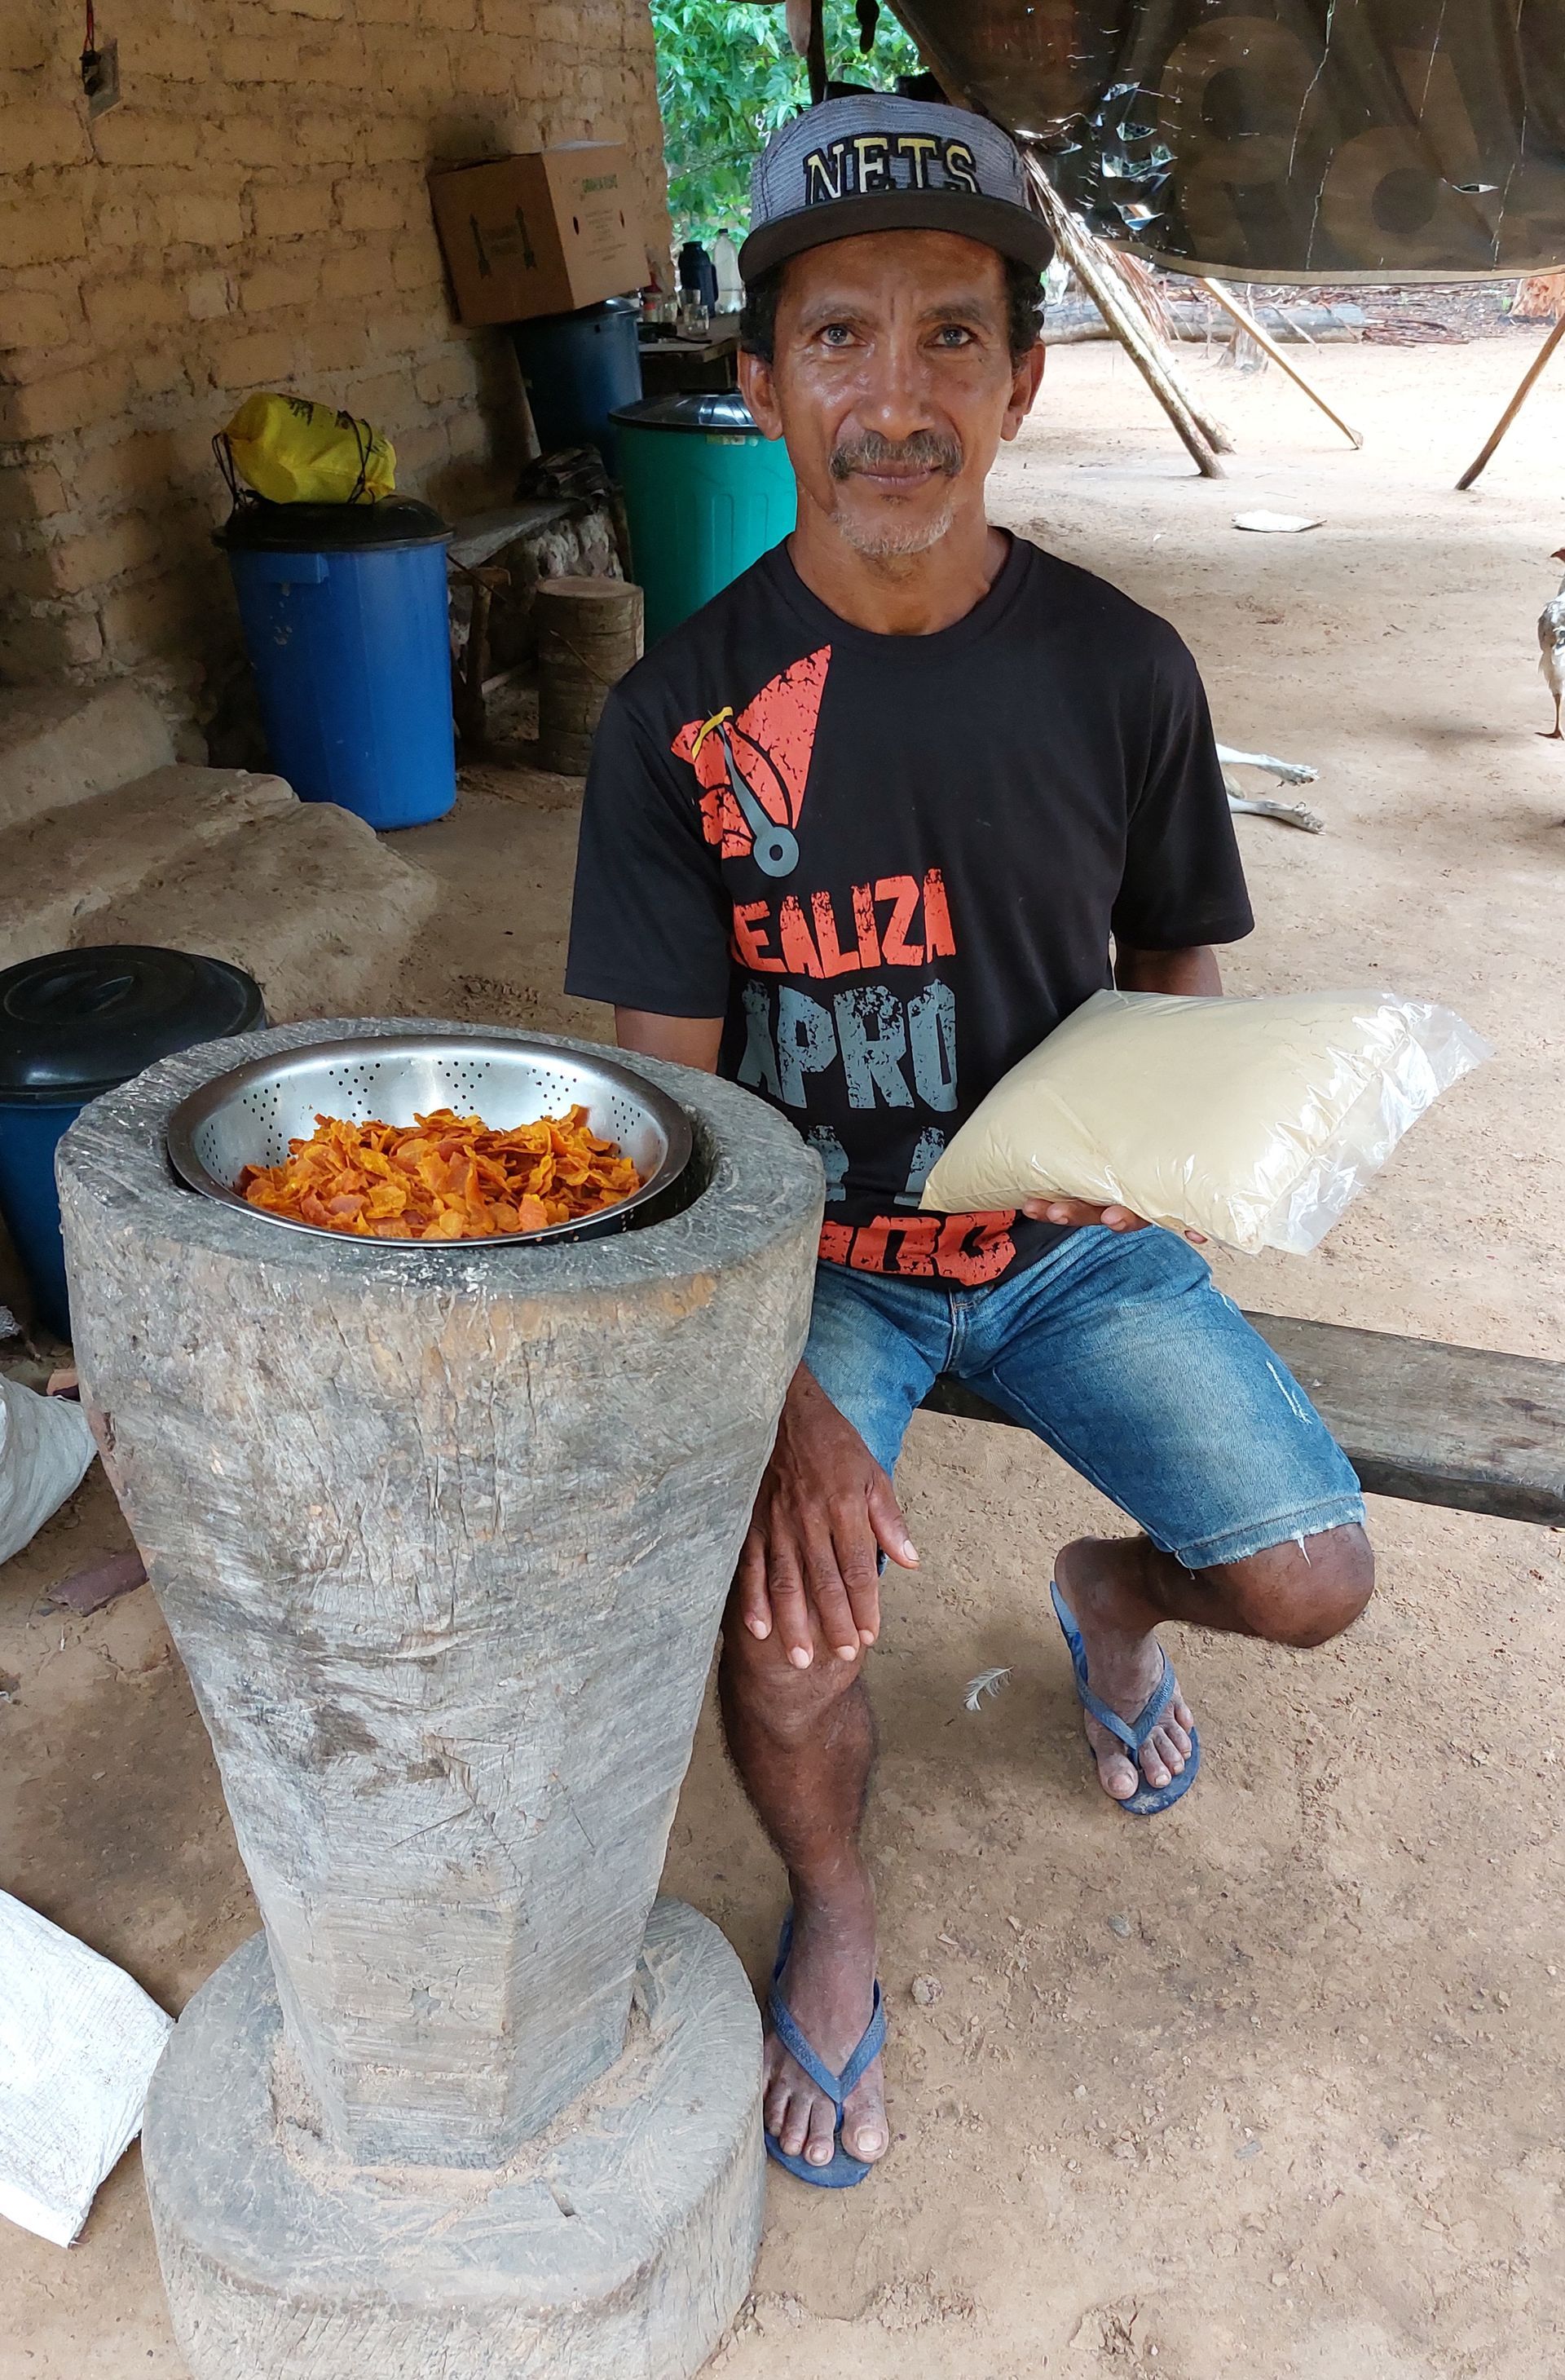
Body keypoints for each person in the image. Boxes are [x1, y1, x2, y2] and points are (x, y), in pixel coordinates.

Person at [566, 95, 1373, 2191]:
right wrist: (771, 1397)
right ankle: (834, 1900)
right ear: (760, 389)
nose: (893, 397)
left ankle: (1108, 1590)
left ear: (1023, 380)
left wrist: (1137, 1163)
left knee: (1310, 1577)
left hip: (1063, 1247)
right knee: (791, 1624)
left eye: (950, 339)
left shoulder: (1126, 670)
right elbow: (671, 1116)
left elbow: (1174, 973)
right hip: (815, 1261)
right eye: (838, 339)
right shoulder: (681, 722)